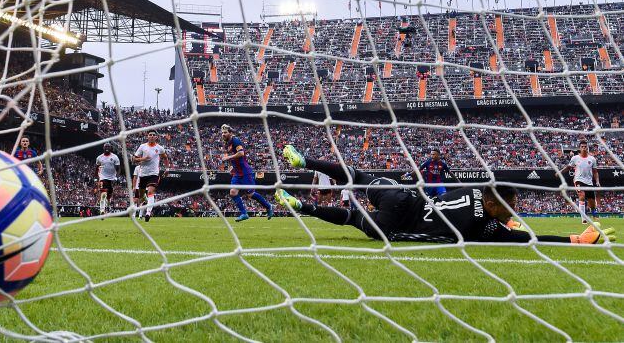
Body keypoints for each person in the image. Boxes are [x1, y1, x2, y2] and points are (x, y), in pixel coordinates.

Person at [275, 145, 615, 244]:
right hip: (396, 222)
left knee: (358, 175)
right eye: (509, 208)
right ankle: (302, 205)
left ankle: (306, 161)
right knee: (352, 218)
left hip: (403, 197)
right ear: (493, 203)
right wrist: (575, 239)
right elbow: (532, 240)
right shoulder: (486, 228)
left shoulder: (471, 190)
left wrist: (506, 224)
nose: (513, 213)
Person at [220, 124, 273, 222]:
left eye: (225, 132)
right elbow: (237, 157)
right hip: (237, 173)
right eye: (222, 132)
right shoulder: (228, 143)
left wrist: (228, 158)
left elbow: (241, 153)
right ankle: (244, 213)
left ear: (230, 133)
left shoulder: (235, 141)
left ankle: (268, 206)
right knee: (233, 192)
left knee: (251, 194)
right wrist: (232, 166)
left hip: (245, 172)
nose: (223, 134)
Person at [558, 141, 600, 223]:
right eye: (582, 146)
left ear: (587, 148)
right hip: (578, 180)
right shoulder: (575, 158)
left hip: (589, 182)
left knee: (591, 202)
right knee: (582, 195)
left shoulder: (592, 159)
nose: (584, 148)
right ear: (579, 148)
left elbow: (595, 172)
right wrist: (560, 172)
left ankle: (594, 213)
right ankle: (583, 218)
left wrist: (597, 181)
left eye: (585, 146)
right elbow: (568, 167)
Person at [133, 130, 170, 222]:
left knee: (150, 192)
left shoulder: (160, 148)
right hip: (143, 174)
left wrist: (167, 169)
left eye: (154, 135)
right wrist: (143, 158)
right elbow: (134, 159)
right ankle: (146, 202)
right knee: (141, 196)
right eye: (150, 135)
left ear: (156, 137)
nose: (152, 136)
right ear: (147, 136)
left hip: (154, 174)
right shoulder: (142, 147)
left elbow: (165, 157)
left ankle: (148, 213)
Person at [95, 142, 120, 215]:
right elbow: (97, 168)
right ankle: (102, 211)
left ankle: (108, 202)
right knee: (103, 194)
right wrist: (96, 178)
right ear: (103, 148)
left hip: (112, 178)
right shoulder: (99, 158)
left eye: (108, 147)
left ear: (111, 148)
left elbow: (118, 168)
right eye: (105, 146)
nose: (107, 148)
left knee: (109, 195)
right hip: (103, 177)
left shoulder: (115, 157)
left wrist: (116, 177)